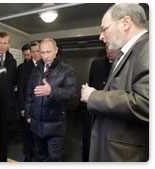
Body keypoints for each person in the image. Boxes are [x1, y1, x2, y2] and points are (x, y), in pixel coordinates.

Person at [80, 3, 149, 162]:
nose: (101, 36)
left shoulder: (148, 47)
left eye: (104, 28)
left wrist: (94, 97)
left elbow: (147, 102)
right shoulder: (128, 53)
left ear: (125, 23)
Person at [25, 38, 78, 162]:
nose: (45, 56)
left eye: (49, 52)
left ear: (56, 50)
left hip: (55, 125)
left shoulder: (67, 70)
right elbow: (29, 93)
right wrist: (28, 114)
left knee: (54, 158)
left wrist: (52, 91)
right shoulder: (36, 69)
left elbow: (73, 92)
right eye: (42, 52)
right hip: (36, 123)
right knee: (40, 156)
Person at [82, 44, 120, 162]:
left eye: (112, 48)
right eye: (107, 48)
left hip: (112, 110)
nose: (109, 51)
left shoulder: (124, 65)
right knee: (88, 140)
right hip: (93, 108)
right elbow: (91, 82)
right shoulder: (96, 63)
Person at [17, 42, 41, 162]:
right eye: (33, 51)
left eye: (38, 51)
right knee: (27, 131)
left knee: (40, 132)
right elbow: (21, 88)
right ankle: (27, 153)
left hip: (41, 106)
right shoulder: (24, 67)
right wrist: (22, 107)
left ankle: (40, 154)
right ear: (30, 53)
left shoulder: (47, 65)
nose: (36, 54)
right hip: (28, 105)